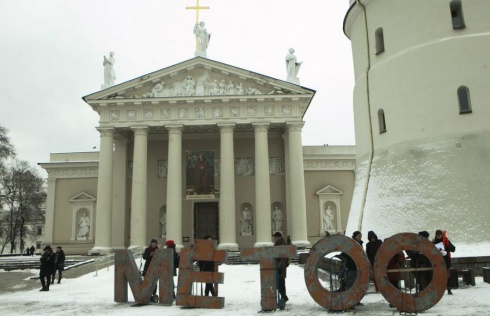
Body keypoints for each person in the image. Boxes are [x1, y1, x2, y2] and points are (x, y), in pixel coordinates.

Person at [433, 229, 456, 295]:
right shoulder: (434, 242)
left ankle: (449, 288)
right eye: (437, 235)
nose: (439, 237)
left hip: (446, 260)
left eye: (440, 235)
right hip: (438, 261)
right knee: (439, 275)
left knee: (447, 275)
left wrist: (445, 248)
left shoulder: (446, 241)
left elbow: (453, 249)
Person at [273, 232, 289, 305]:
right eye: (274, 237)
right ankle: (283, 297)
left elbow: (284, 257)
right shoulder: (277, 244)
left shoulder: (282, 244)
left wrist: (280, 266)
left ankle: (283, 297)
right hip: (277, 267)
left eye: (276, 237)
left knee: (281, 283)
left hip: (281, 267)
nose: (275, 239)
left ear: (279, 237)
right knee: (278, 283)